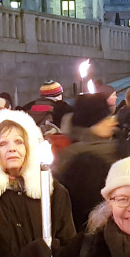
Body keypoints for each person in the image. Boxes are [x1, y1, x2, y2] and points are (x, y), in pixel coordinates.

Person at [0, 110, 76, 257]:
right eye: (2, 144)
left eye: (19, 142)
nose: (12, 148)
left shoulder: (53, 191)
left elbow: (68, 244)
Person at [54, 93, 119, 231]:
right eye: (106, 118)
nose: (113, 122)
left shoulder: (118, 148)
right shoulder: (74, 156)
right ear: (91, 123)